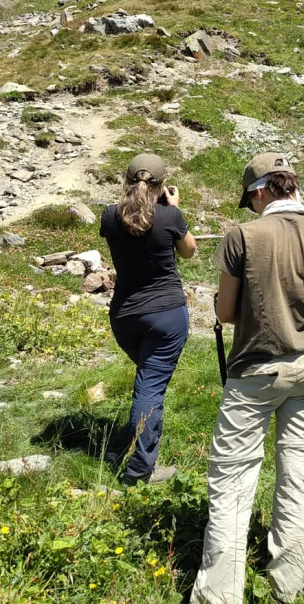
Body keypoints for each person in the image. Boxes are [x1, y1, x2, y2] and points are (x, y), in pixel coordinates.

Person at [193, 153, 304, 604]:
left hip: (255, 370)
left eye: (249, 199)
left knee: (233, 480)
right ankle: (287, 585)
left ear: (259, 191)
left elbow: (226, 313)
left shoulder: (243, 237)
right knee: (296, 473)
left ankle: (220, 595)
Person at [99, 153, 197, 485]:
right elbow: (189, 251)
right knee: (151, 389)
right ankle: (140, 470)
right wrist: (174, 206)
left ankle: (131, 444)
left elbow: (131, 222)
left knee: (146, 383)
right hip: (166, 315)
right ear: (161, 185)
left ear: (126, 181)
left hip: (124, 316)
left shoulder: (110, 216)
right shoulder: (170, 216)